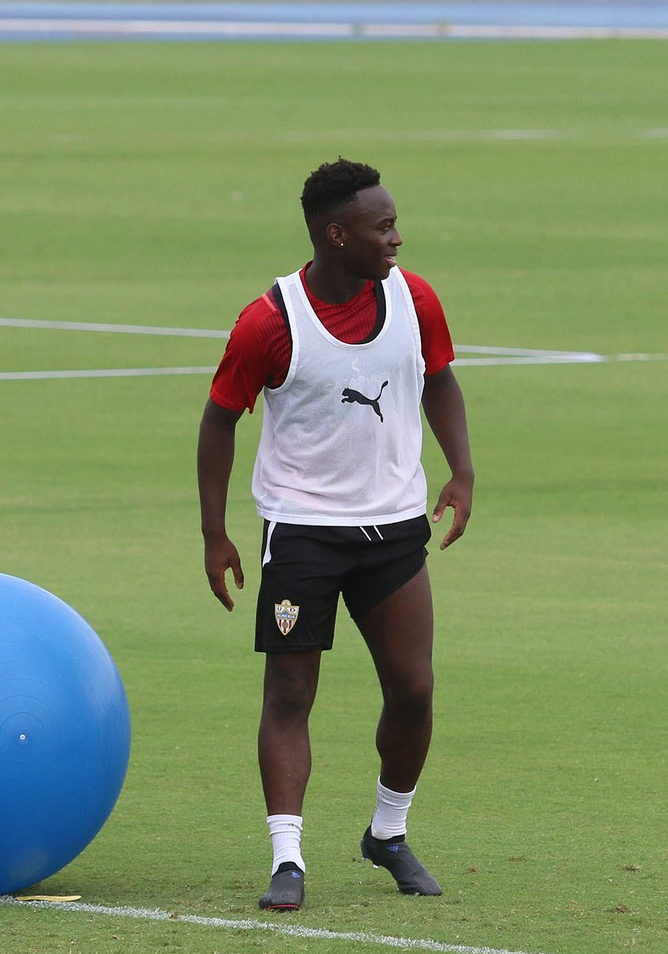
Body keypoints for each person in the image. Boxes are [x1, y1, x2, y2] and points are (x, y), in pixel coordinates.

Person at [197, 159, 474, 911]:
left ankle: (387, 834)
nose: (397, 237)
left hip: (393, 531)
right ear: (337, 233)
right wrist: (215, 532)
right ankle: (288, 858)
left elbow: (440, 376)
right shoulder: (270, 320)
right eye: (383, 227)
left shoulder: (415, 299)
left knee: (413, 689)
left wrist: (461, 470)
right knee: (290, 693)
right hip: (302, 536)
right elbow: (221, 417)